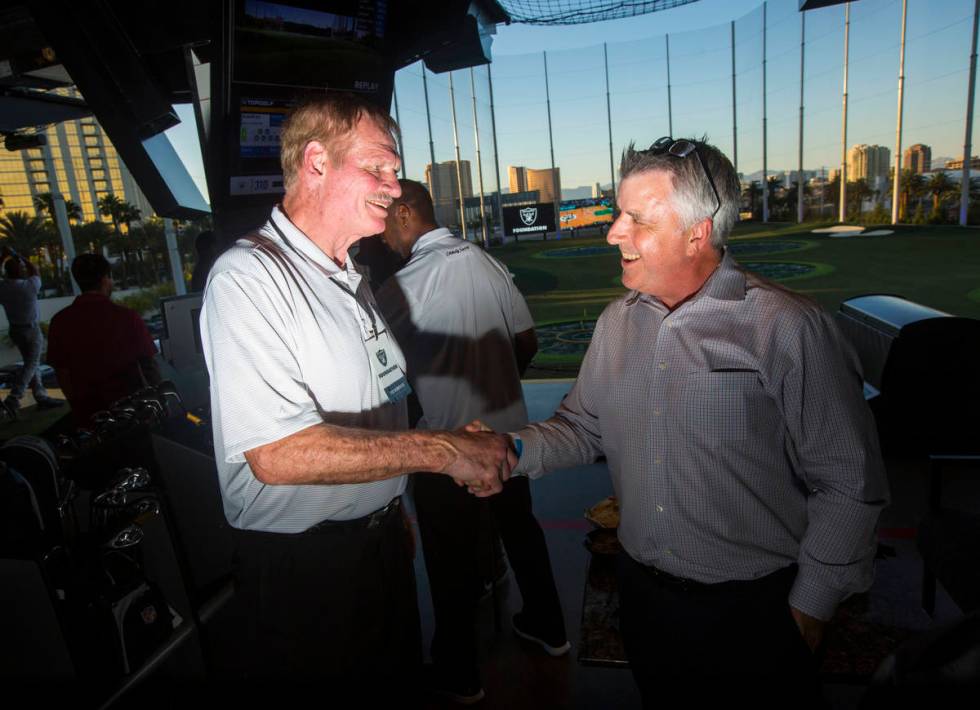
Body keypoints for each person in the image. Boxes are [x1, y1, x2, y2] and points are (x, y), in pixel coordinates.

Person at [504, 137, 889, 704]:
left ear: (697, 231)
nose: (613, 233)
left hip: (757, 607)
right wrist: (508, 453)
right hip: (644, 598)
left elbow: (850, 482)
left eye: (636, 219)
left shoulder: (787, 328)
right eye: (618, 215)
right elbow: (582, 428)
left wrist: (811, 603)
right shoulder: (616, 324)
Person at [199, 93, 513, 705]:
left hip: (378, 545)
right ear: (316, 162)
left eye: (395, 171)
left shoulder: (348, 272)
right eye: (380, 167)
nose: (396, 187)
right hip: (305, 571)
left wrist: (390, 512)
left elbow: (380, 396)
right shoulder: (248, 279)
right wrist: (443, 451)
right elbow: (278, 455)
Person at [375, 180, 568, 704]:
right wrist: (497, 394)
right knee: (521, 533)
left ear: (403, 213)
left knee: (448, 560)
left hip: (448, 451)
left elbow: (379, 374)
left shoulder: (401, 285)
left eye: (382, 216)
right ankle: (550, 628)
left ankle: (460, 670)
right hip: (508, 437)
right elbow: (526, 341)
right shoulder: (485, 262)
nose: (380, 232)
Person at [46, 253, 159, 427]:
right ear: (105, 279)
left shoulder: (59, 322)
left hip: (89, 418)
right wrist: (160, 402)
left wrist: (78, 407)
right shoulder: (127, 317)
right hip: (130, 416)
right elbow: (149, 366)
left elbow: (62, 373)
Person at [0, 245, 62, 416]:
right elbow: (34, 269)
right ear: (20, 271)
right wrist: (19, 255)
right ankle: (14, 397)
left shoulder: (3, 288)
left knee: (31, 363)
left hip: (16, 330)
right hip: (31, 330)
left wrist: (3, 257)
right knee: (32, 363)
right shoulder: (29, 286)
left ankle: (40, 396)